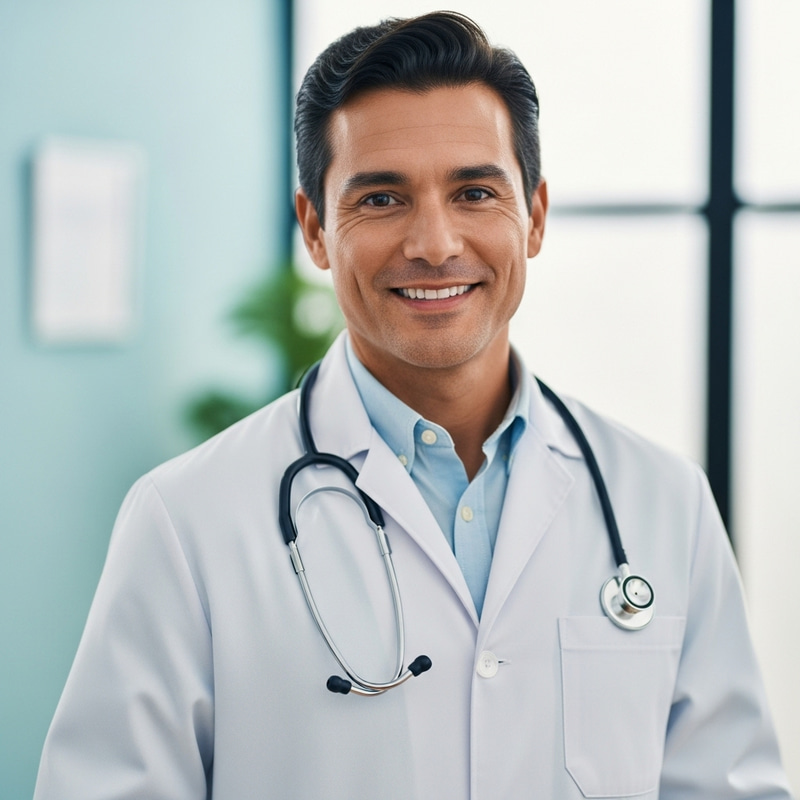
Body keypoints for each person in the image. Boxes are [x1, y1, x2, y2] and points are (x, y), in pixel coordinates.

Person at [34, 11, 793, 799]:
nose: (434, 243)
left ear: (532, 217)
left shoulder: (665, 505)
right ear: (316, 229)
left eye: (473, 192)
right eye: (383, 199)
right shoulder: (185, 522)